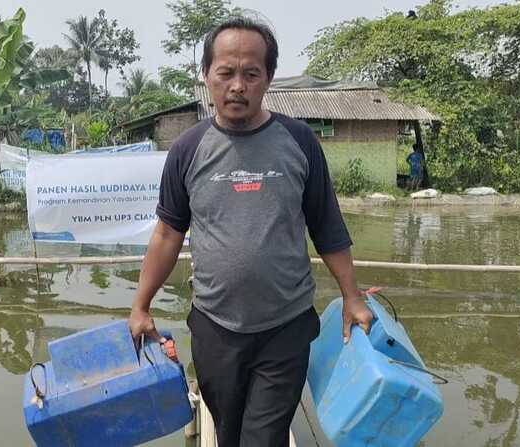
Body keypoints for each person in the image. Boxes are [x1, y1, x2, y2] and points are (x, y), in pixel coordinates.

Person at [128, 16, 373, 447]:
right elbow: (168, 234)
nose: (237, 85)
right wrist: (141, 305)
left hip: (286, 326)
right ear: (207, 76)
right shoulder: (187, 149)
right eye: (225, 73)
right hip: (215, 327)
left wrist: (352, 297)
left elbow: (327, 227)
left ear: (268, 79)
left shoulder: (299, 142)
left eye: (250, 73)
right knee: (228, 433)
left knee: (263, 438)